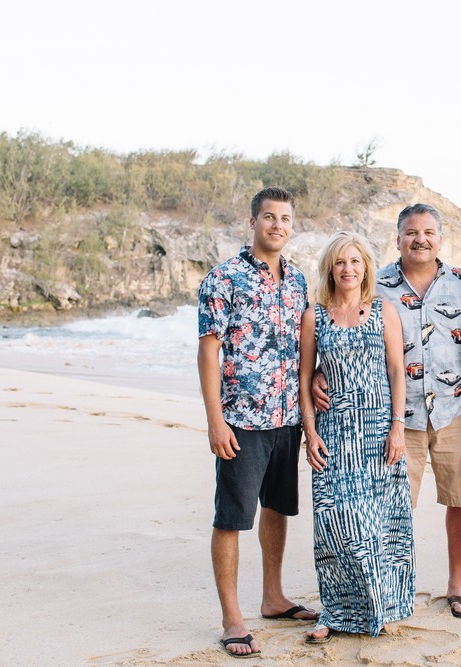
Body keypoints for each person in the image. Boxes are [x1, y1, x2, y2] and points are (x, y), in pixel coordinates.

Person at [312, 204, 461, 620]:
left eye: (428, 232)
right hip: (397, 417)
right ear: (398, 238)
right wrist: (320, 370)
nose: (420, 239)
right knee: (392, 507)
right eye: (411, 232)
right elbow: (345, 329)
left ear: (440, 238)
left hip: (455, 409)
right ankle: (388, 590)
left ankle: (457, 584)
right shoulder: (377, 285)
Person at [197, 187, 319, 659]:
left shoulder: (298, 280)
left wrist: (315, 385)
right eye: (269, 217)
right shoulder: (223, 278)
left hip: (287, 418)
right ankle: (232, 617)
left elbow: (307, 346)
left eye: (285, 218)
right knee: (231, 518)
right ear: (253, 223)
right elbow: (209, 351)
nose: (277, 225)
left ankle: (273, 597)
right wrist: (215, 420)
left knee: (277, 508)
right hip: (242, 420)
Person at [299, 231, 414, 643]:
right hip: (333, 432)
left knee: (375, 523)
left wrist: (398, 426)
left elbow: (397, 370)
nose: (348, 269)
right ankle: (334, 611)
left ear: (365, 267)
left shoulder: (383, 310)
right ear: (330, 269)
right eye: (340, 262)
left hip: (377, 431)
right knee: (333, 523)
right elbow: (304, 376)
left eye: (355, 261)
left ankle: (378, 607)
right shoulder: (315, 315)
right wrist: (309, 431)